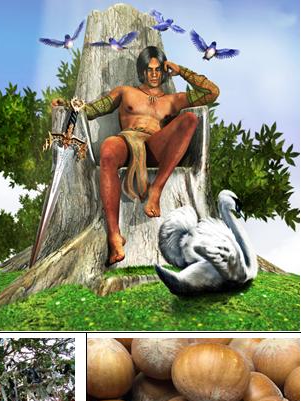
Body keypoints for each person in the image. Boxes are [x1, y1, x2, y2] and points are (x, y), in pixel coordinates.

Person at [52, 46, 218, 265]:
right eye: (149, 70)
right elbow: (92, 110)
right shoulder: (125, 92)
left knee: (189, 121)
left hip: (155, 147)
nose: (154, 74)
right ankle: (114, 236)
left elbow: (211, 92)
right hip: (128, 142)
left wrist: (182, 70)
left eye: (158, 69)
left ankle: (156, 189)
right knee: (109, 147)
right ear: (142, 71)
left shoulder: (173, 100)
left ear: (164, 70)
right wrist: (66, 106)